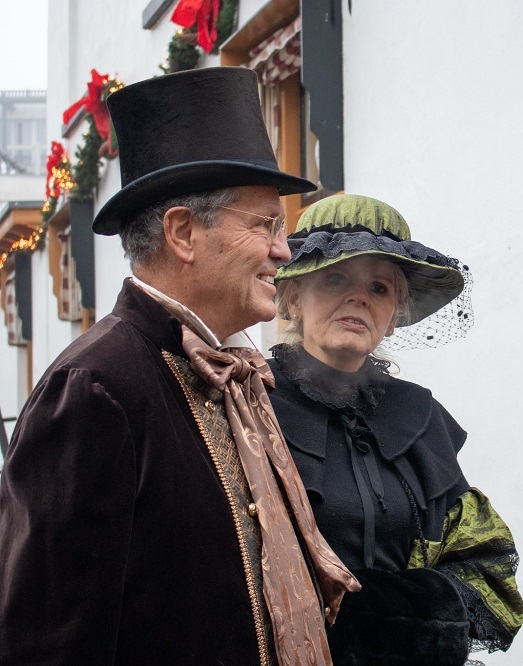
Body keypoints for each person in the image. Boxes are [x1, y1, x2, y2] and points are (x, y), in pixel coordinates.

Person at [0, 68, 360, 664]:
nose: (283, 248)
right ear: (183, 232)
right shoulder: (95, 388)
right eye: (264, 224)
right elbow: (46, 642)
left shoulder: (238, 375)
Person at [267, 193, 523, 665]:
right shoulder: (250, 406)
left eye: (380, 288)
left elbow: (486, 569)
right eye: (336, 277)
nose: (359, 298)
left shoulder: (419, 418)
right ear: (292, 296)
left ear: (394, 315)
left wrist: (405, 617)